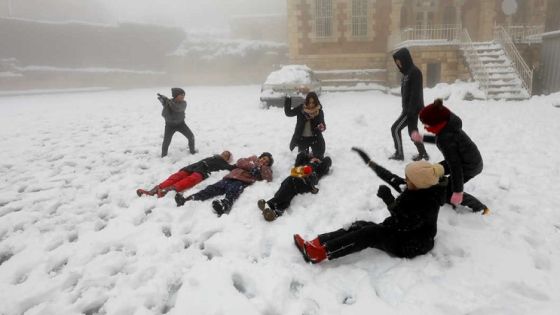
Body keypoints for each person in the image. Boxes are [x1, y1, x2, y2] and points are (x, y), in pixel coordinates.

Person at [293, 148, 446, 264]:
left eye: (408, 179)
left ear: (419, 183)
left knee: (370, 234)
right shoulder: (418, 186)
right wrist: (370, 162)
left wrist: (389, 201)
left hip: (412, 243)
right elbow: (391, 177)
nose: (405, 181)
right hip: (400, 231)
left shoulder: (428, 202)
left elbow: (405, 223)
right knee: (359, 225)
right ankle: (317, 243)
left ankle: (320, 254)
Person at [411, 99, 490, 214]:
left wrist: (457, 191)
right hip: (465, 160)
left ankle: (480, 207)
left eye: (426, 124)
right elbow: (441, 139)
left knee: (449, 191)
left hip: (469, 167)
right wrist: (423, 138)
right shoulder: (448, 127)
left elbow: (455, 167)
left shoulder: (446, 137)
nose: (425, 127)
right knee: (433, 171)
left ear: (437, 123)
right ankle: (431, 186)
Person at [175, 152, 274, 216]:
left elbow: (268, 177)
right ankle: (188, 199)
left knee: (233, 191)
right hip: (229, 177)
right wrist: (252, 166)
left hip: (242, 181)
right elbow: (240, 162)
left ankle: (225, 205)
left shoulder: (265, 169)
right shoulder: (252, 159)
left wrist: (262, 167)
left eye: (266, 161)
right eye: (263, 158)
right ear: (260, 157)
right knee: (211, 189)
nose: (263, 161)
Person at [257, 152, 332, 221]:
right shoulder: (304, 163)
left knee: (291, 181)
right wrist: (308, 156)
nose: (315, 158)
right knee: (289, 186)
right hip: (297, 176)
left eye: (317, 158)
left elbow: (327, 161)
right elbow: (300, 155)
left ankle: (270, 204)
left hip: (309, 180)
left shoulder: (319, 167)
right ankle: (276, 211)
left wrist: (319, 162)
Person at [136, 151, 235, 198]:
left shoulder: (225, 165)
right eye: (224, 152)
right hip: (193, 167)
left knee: (189, 180)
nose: (224, 154)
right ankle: (153, 191)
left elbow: (235, 167)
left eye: (227, 155)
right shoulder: (213, 157)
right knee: (175, 177)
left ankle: (166, 191)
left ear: (228, 159)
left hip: (203, 171)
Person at [390, 47, 429, 161]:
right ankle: (423, 154)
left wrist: (410, 111)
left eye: (399, 61)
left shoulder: (415, 72)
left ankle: (399, 154)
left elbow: (415, 94)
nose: (398, 64)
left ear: (405, 59)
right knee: (413, 132)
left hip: (411, 110)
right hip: (408, 109)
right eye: (397, 63)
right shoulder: (406, 74)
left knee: (395, 129)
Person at [284, 91, 326, 158]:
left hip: (315, 138)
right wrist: (288, 99)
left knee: (318, 156)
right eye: (309, 102)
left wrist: (321, 127)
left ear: (316, 102)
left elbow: (323, 126)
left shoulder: (319, 112)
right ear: (306, 102)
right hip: (302, 138)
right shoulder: (301, 109)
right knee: (302, 158)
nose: (311, 105)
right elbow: (288, 113)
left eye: (313, 102)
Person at [158, 87, 196, 157]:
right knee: (166, 142)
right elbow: (165, 106)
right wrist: (162, 99)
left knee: (191, 137)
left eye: (184, 95)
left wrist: (168, 101)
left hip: (181, 124)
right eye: (181, 95)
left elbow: (177, 108)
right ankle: (163, 156)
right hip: (169, 126)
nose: (183, 97)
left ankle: (192, 152)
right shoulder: (169, 102)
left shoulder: (183, 103)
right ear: (176, 96)